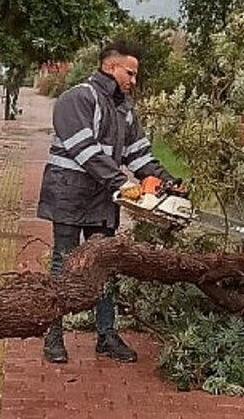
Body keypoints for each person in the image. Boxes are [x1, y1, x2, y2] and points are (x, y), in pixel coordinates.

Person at [38, 41, 180, 364]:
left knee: (106, 265)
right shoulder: (77, 99)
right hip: (69, 196)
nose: (133, 80)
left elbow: (140, 154)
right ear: (110, 67)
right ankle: (53, 336)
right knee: (63, 264)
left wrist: (168, 182)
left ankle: (106, 335)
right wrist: (123, 184)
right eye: (129, 73)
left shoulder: (123, 109)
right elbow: (85, 151)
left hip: (102, 200)